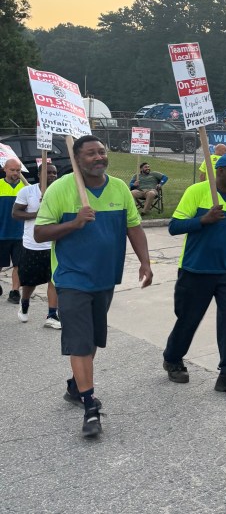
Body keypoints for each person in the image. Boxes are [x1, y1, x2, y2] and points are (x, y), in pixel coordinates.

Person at [35, 135, 153, 438]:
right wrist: (74, 223)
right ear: (77, 159)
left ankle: (76, 386)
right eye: (90, 153)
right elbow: (39, 233)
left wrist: (145, 262)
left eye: (101, 152)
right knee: (81, 341)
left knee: (94, 340)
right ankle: (90, 408)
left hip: (105, 278)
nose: (99, 157)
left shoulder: (119, 188)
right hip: (71, 278)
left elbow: (133, 226)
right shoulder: (61, 190)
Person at [162, 153, 226, 397]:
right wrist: (204, 219)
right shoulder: (197, 192)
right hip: (195, 269)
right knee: (188, 320)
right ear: (221, 170)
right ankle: (172, 358)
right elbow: (174, 226)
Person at [12, 162, 60, 328]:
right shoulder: (28, 191)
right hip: (33, 244)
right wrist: (36, 214)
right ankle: (25, 303)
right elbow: (16, 213)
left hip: (54, 244)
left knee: (53, 280)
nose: (53, 175)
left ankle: (52, 315)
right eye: (49, 173)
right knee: (30, 282)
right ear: (40, 174)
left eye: (55, 173)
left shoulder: (60, 192)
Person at [0, 158, 25, 303]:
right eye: (12, 170)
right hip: (1, 233)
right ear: (5, 169)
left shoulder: (25, 187)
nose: (16, 173)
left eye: (18, 170)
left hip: (20, 234)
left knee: (18, 264)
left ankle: (15, 291)